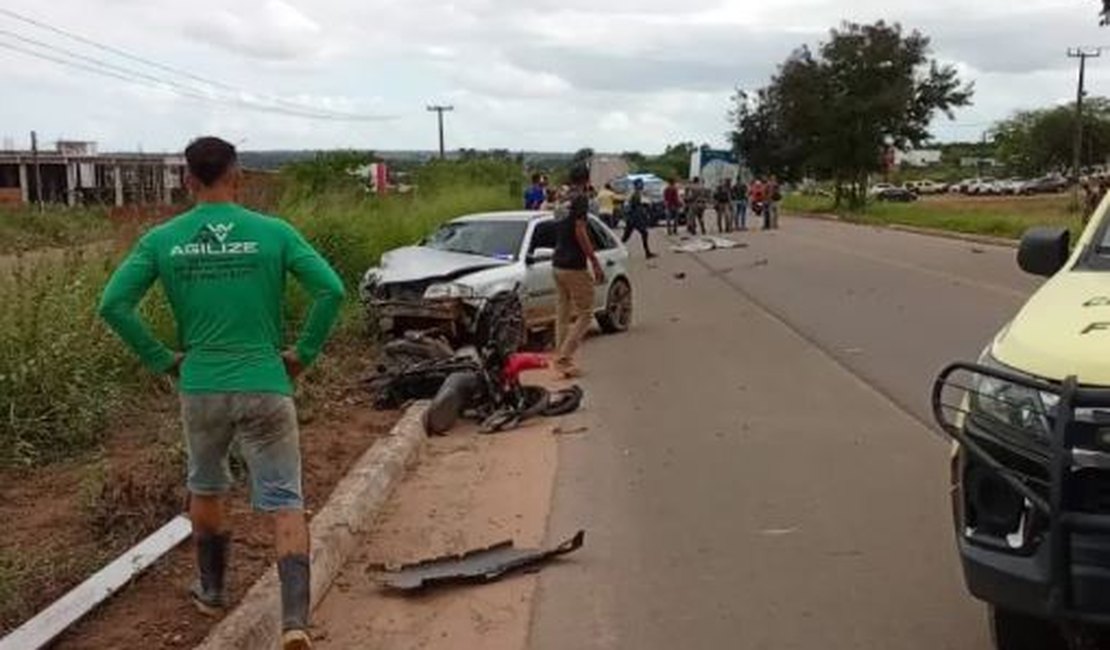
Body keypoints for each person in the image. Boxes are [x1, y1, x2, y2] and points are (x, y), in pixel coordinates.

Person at [98, 137, 345, 650]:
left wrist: (162, 359)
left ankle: (211, 591)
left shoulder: (163, 239)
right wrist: (303, 353)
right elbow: (331, 290)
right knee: (285, 500)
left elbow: (114, 305)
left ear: (188, 180)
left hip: (202, 385)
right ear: (238, 177)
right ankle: (295, 620)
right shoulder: (273, 232)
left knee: (206, 487)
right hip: (266, 382)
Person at [552, 164, 605, 378]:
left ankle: (562, 359)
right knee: (586, 313)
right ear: (586, 179)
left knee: (562, 314)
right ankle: (564, 358)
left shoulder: (562, 199)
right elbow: (581, 231)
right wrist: (594, 260)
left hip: (557, 263)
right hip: (574, 264)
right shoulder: (581, 199)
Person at [621, 179, 657, 258]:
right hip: (634, 218)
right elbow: (635, 206)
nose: (642, 185)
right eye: (641, 184)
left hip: (632, 219)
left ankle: (647, 252)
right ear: (638, 185)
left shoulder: (635, 193)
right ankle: (647, 253)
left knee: (626, 237)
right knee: (643, 233)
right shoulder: (635, 194)